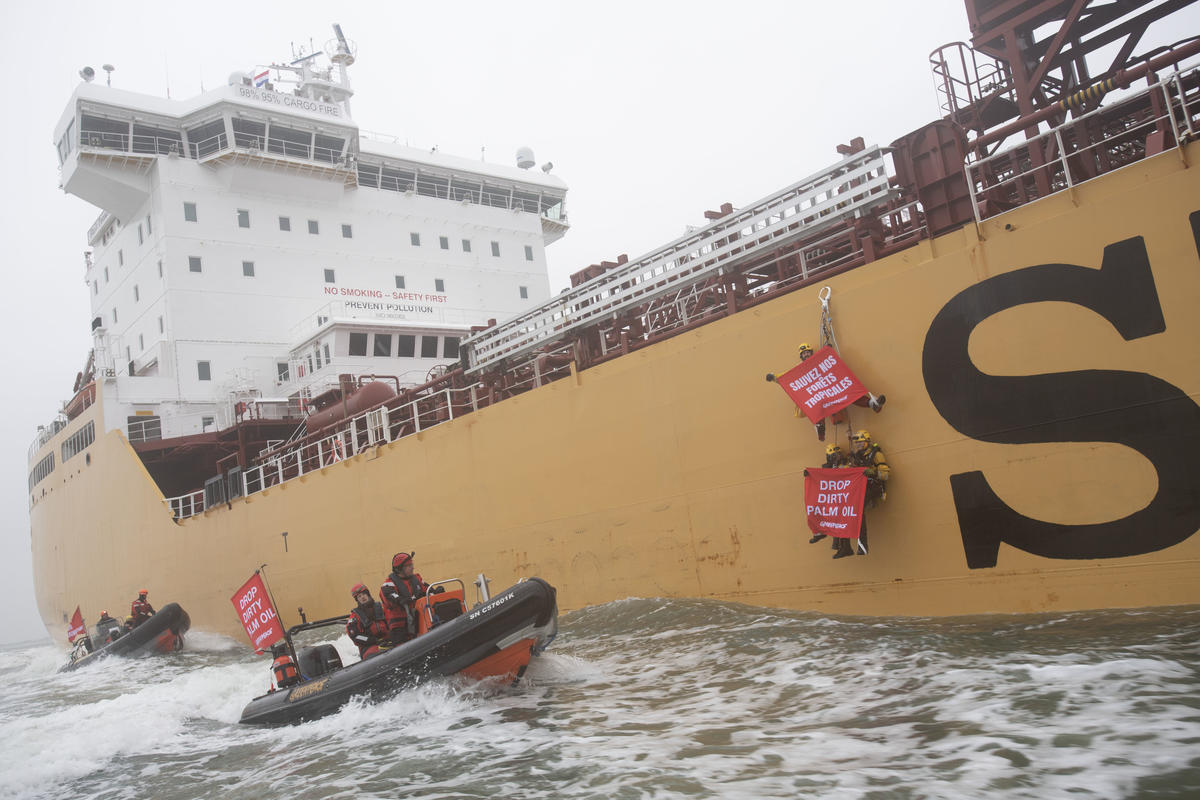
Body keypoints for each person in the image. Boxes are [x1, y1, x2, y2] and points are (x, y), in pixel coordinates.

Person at [767, 344, 885, 442]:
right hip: (817, 396)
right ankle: (820, 427)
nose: (806, 354)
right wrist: (774, 377)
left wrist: (828, 351)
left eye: (808, 352)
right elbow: (788, 377)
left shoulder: (820, 360)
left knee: (846, 391)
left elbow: (829, 363)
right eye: (803, 354)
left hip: (830, 390)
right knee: (816, 404)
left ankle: (871, 403)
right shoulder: (799, 368)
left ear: (811, 352)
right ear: (801, 356)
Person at [834, 429, 890, 559]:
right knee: (842, 508)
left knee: (856, 509)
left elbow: (885, 475)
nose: (859, 445)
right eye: (857, 443)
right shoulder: (858, 456)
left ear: (867, 441)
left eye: (861, 442)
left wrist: (871, 472)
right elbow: (851, 467)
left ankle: (862, 545)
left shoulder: (876, 455)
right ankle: (844, 546)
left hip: (873, 487)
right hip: (860, 488)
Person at [380, 552, 435, 646]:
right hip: (400, 628)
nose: (412, 567)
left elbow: (427, 590)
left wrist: (436, 592)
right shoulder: (388, 584)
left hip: (418, 622)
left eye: (411, 564)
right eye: (409, 565)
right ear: (400, 568)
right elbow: (389, 596)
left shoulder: (417, 579)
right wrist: (400, 600)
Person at [809, 443, 850, 546]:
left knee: (837, 514)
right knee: (815, 509)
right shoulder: (826, 468)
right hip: (830, 498)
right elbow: (819, 479)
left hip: (843, 497)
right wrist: (809, 475)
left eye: (838, 454)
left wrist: (842, 469)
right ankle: (819, 532)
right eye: (834, 455)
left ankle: (839, 544)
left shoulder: (846, 464)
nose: (837, 457)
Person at [346, 582, 389, 659]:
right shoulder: (355, 616)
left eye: (364, 594)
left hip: (387, 640)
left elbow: (391, 622)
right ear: (357, 600)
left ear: (368, 594)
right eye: (359, 596)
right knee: (376, 656)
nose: (362, 597)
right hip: (369, 647)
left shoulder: (381, 607)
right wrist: (373, 640)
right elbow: (355, 636)